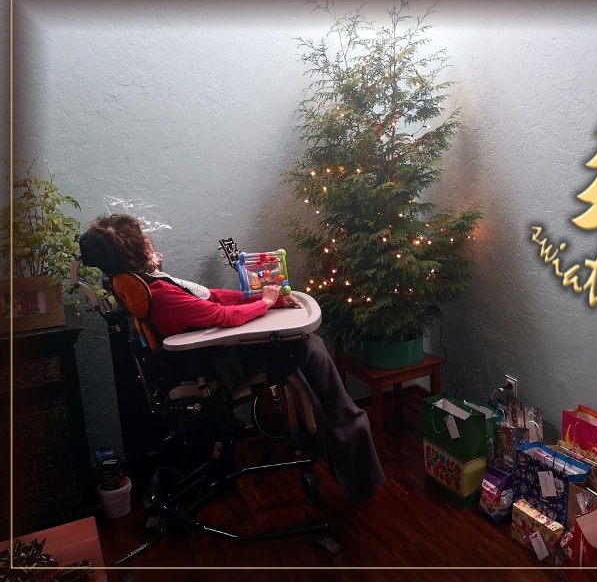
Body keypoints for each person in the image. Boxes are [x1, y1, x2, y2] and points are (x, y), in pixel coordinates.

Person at [83, 213, 385, 503]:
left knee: (308, 351)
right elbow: (221, 316)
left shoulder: (145, 286)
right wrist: (264, 304)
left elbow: (212, 296)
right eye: (146, 240)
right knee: (307, 347)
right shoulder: (160, 293)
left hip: (212, 359)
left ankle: (339, 443)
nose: (151, 242)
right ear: (140, 252)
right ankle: (351, 444)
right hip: (217, 368)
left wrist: (265, 299)